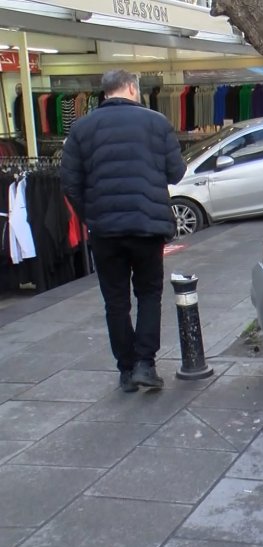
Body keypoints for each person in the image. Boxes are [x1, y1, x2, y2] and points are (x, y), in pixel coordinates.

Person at [61, 70, 185, 393]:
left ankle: (126, 370)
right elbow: (177, 172)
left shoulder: (81, 129)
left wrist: (93, 214)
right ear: (132, 88)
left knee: (115, 301)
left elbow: (70, 183)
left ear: (104, 93)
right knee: (148, 293)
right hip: (148, 226)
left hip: (105, 231)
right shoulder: (157, 122)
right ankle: (146, 363)